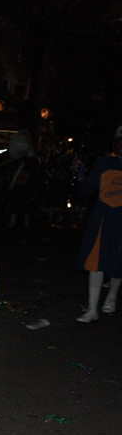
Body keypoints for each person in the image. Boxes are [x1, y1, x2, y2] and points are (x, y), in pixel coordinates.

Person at [74, 125, 122, 322]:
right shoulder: (103, 164)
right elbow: (86, 191)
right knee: (95, 261)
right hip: (103, 219)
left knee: (119, 260)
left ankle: (111, 297)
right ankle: (92, 309)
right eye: (120, 142)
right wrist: (80, 173)